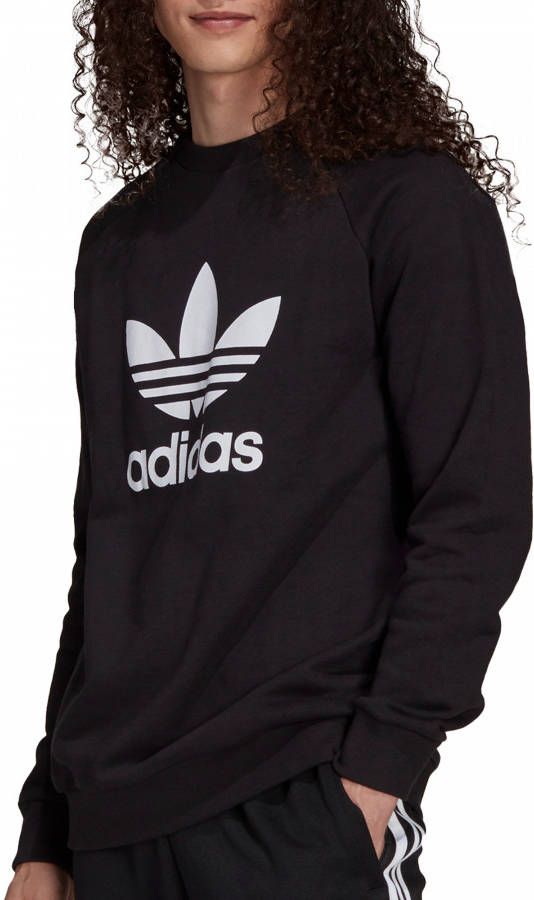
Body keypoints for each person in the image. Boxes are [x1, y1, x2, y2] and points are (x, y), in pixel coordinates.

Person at [6, 1, 531, 898]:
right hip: (107, 827)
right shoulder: (117, 243)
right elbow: (110, 561)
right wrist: (45, 832)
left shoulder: (411, 205)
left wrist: (374, 778)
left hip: (296, 805)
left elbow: (475, 513)